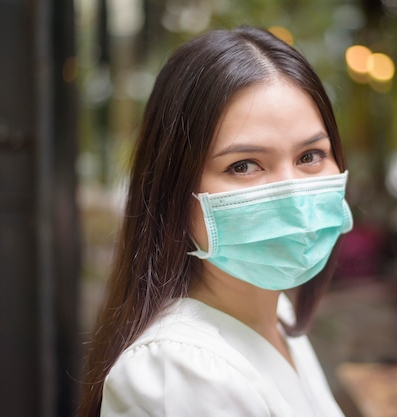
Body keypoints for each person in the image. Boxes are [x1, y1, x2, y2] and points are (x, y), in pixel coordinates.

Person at [78, 25, 353, 417]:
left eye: (310, 156)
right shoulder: (181, 373)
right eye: (244, 165)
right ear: (175, 191)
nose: (292, 195)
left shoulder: (277, 314)